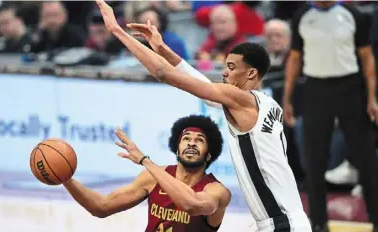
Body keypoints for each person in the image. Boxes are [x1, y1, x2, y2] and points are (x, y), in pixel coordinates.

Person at [95, 0, 312, 231]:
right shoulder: (267, 104)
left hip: (280, 223)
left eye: (230, 67)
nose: (224, 72)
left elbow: (162, 73)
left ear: (250, 73)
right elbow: (207, 89)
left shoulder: (240, 98)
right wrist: (163, 49)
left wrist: (118, 31)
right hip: (287, 219)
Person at [283, 1, 378, 231]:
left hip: (352, 88)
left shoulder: (353, 14)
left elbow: (367, 57)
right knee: (314, 160)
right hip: (316, 88)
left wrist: (372, 97)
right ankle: (318, 222)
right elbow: (294, 58)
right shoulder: (302, 16)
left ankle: (376, 219)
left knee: (366, 159)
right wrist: (287, 98)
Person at [63, 115, 231, 231]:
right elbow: (102, 206)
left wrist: (145, 161)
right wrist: (66, 179)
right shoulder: (152, 177)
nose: (191, 144)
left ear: (209, 154)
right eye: (186, 139)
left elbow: (192, 204)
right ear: (177, 150)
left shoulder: (217, 191)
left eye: (199, 140)